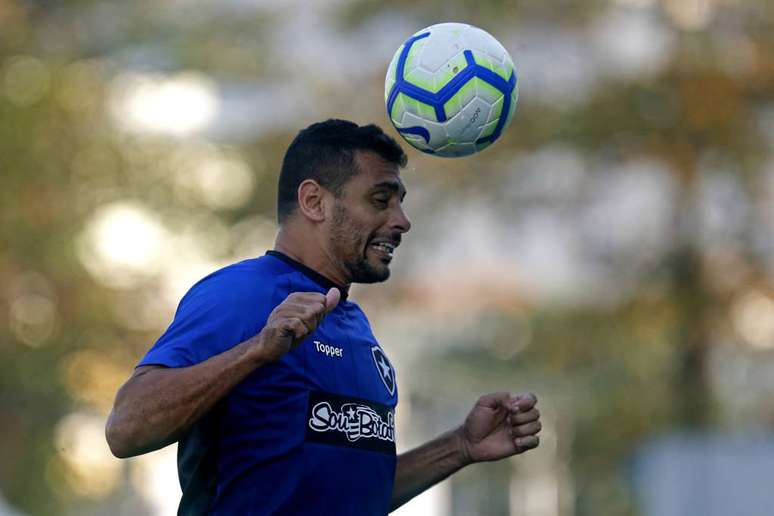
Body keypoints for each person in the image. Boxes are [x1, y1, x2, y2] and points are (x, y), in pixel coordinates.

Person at [105, 119, 542, 515]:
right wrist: (256, 351)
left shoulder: (354, 325)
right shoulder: (241, 295)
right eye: (380, 200)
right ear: (314, 201)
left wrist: (460, 446)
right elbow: (126, 429)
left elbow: (353, 495)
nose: (402, 221)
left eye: (400, 202)